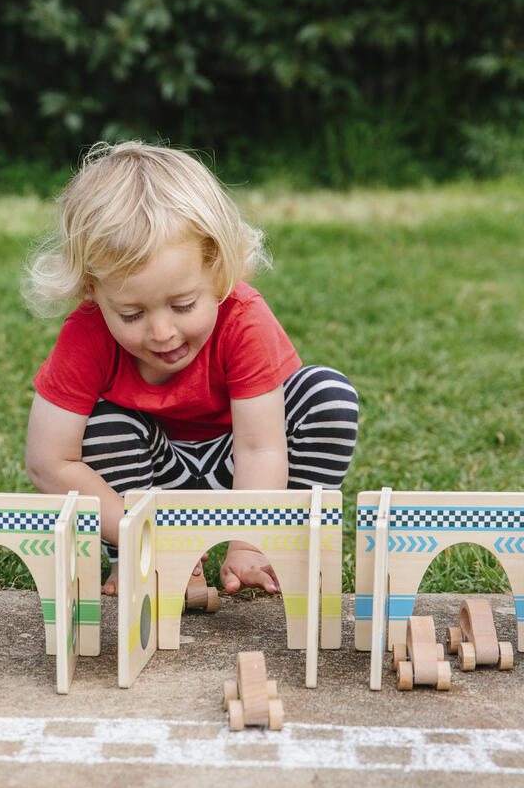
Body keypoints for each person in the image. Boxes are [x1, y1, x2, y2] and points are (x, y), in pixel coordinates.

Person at [23, 140, 358, 597]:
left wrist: (248, 543)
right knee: (101, 426)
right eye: (132, 314)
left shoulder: (244, 318)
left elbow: (260, 448)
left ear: (218, 270)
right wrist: (140, 534)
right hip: (149, 483)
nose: (162, 332)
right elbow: (48, 462)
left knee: (327, 396)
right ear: (91, 290)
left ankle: (279, 547)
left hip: (238, 466)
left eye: (183, 305)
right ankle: (137, 559)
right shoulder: (87, 334)